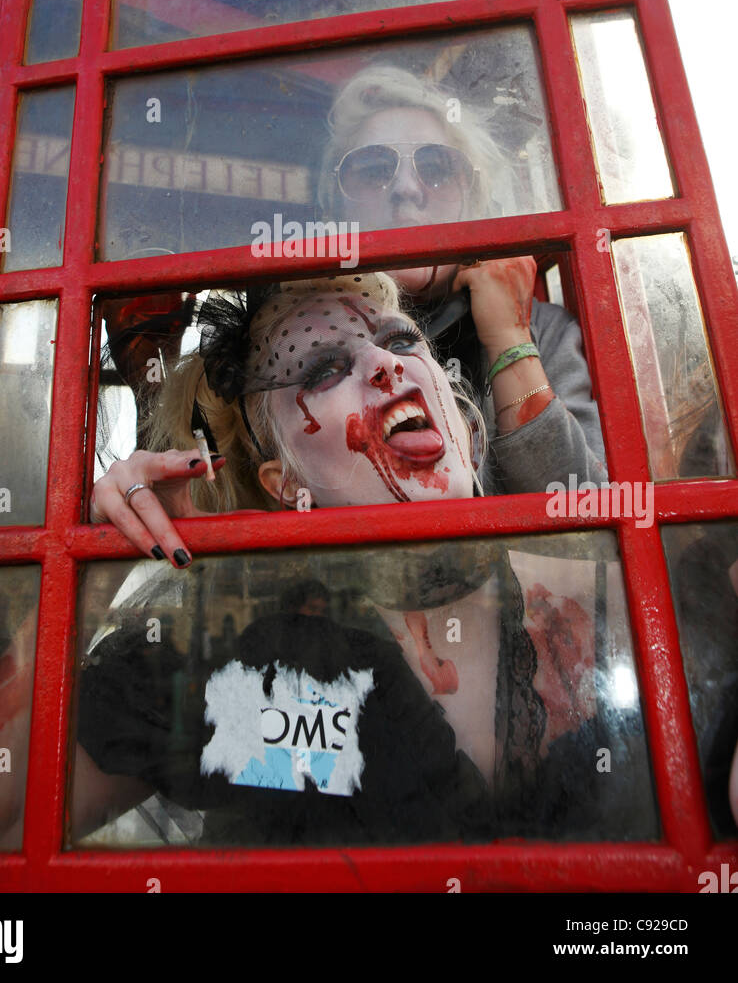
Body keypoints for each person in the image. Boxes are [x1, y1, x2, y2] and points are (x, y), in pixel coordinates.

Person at [77, 273, 656, 847]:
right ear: (285, 483)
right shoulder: (269, 670)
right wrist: (99, 554)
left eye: (402, 340)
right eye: (323, 370)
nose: (387, 365)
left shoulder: (603, 591)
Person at [316, 63, 607, 495]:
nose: (407, 190)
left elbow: (586, 507)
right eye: (375, 170)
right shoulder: (305, 341)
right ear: (337, 209)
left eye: (436, 168)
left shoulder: (541, 331)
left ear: (472, 202)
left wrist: (510, 339)